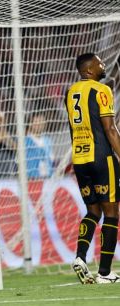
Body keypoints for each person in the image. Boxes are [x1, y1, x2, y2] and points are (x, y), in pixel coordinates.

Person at [67, 53, 120, 284]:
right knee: (111, 213)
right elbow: (110, 129)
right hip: (101, 157)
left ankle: (80, 257)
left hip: (80, 158)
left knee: (93, 211)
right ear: (88, 70)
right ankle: (105, 273)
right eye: (99, 62)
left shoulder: (70, 93)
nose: (103, 65)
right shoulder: (101, 90)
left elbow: (71, 129)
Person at [24, 113, 54, 178]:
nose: (39, 125)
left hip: (48, 178)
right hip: (32, 179)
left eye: (41, 121)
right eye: (36, 122)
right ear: (30, 124)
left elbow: (51, 160)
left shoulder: (48, 141)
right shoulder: (25, 141)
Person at [0, 112, 17, 177]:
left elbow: (16, 148)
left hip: (10, 174)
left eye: (0, 120)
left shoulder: (12, 136)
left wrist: (6, 137)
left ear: (5, 121)